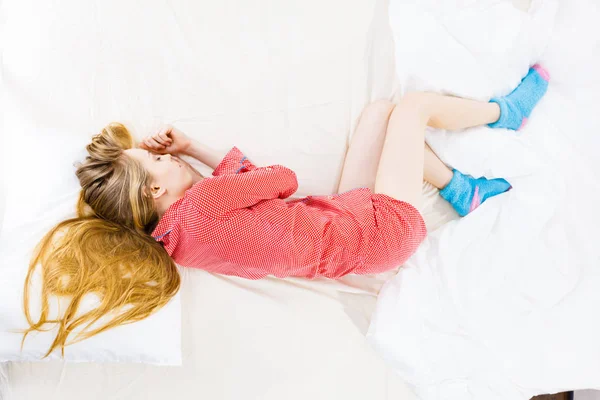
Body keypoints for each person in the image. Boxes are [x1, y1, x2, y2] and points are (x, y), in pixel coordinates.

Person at [22, 64, 549, 357]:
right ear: (153, 194)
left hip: (350, 233)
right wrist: (196, 149)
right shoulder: (203, 202)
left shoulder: (179, 246)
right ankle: (506, 114)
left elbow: (255, 200)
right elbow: (280, 181)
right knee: (412, 109)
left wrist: (191, 164)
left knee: (377, 117)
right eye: (156, 159)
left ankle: (462, 191)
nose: (163, 153)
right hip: (376, 230)